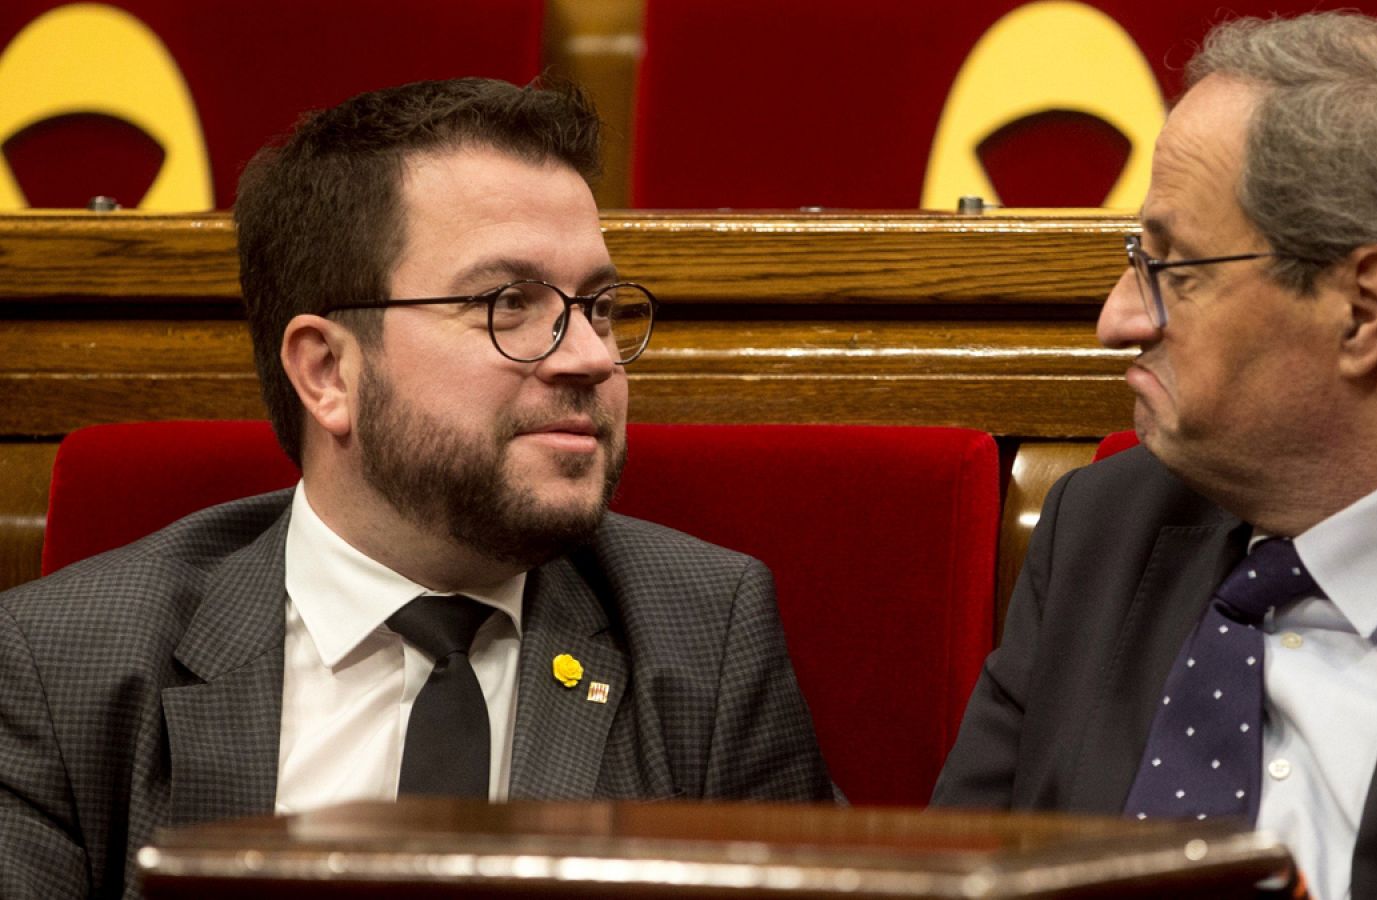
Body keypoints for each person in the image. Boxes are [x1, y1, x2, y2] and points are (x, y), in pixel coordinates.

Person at [0, 78, 832, 898]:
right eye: (511, 303)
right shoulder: (62, 667)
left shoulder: (704, 637)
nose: (591, 358)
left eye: (600, 306)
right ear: (328, 371)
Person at [933, 12, 1377, 899]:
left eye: (1172, 269)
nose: (1116, 322)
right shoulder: (1103, 528)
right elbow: (951, 876)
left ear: (1363, 310)